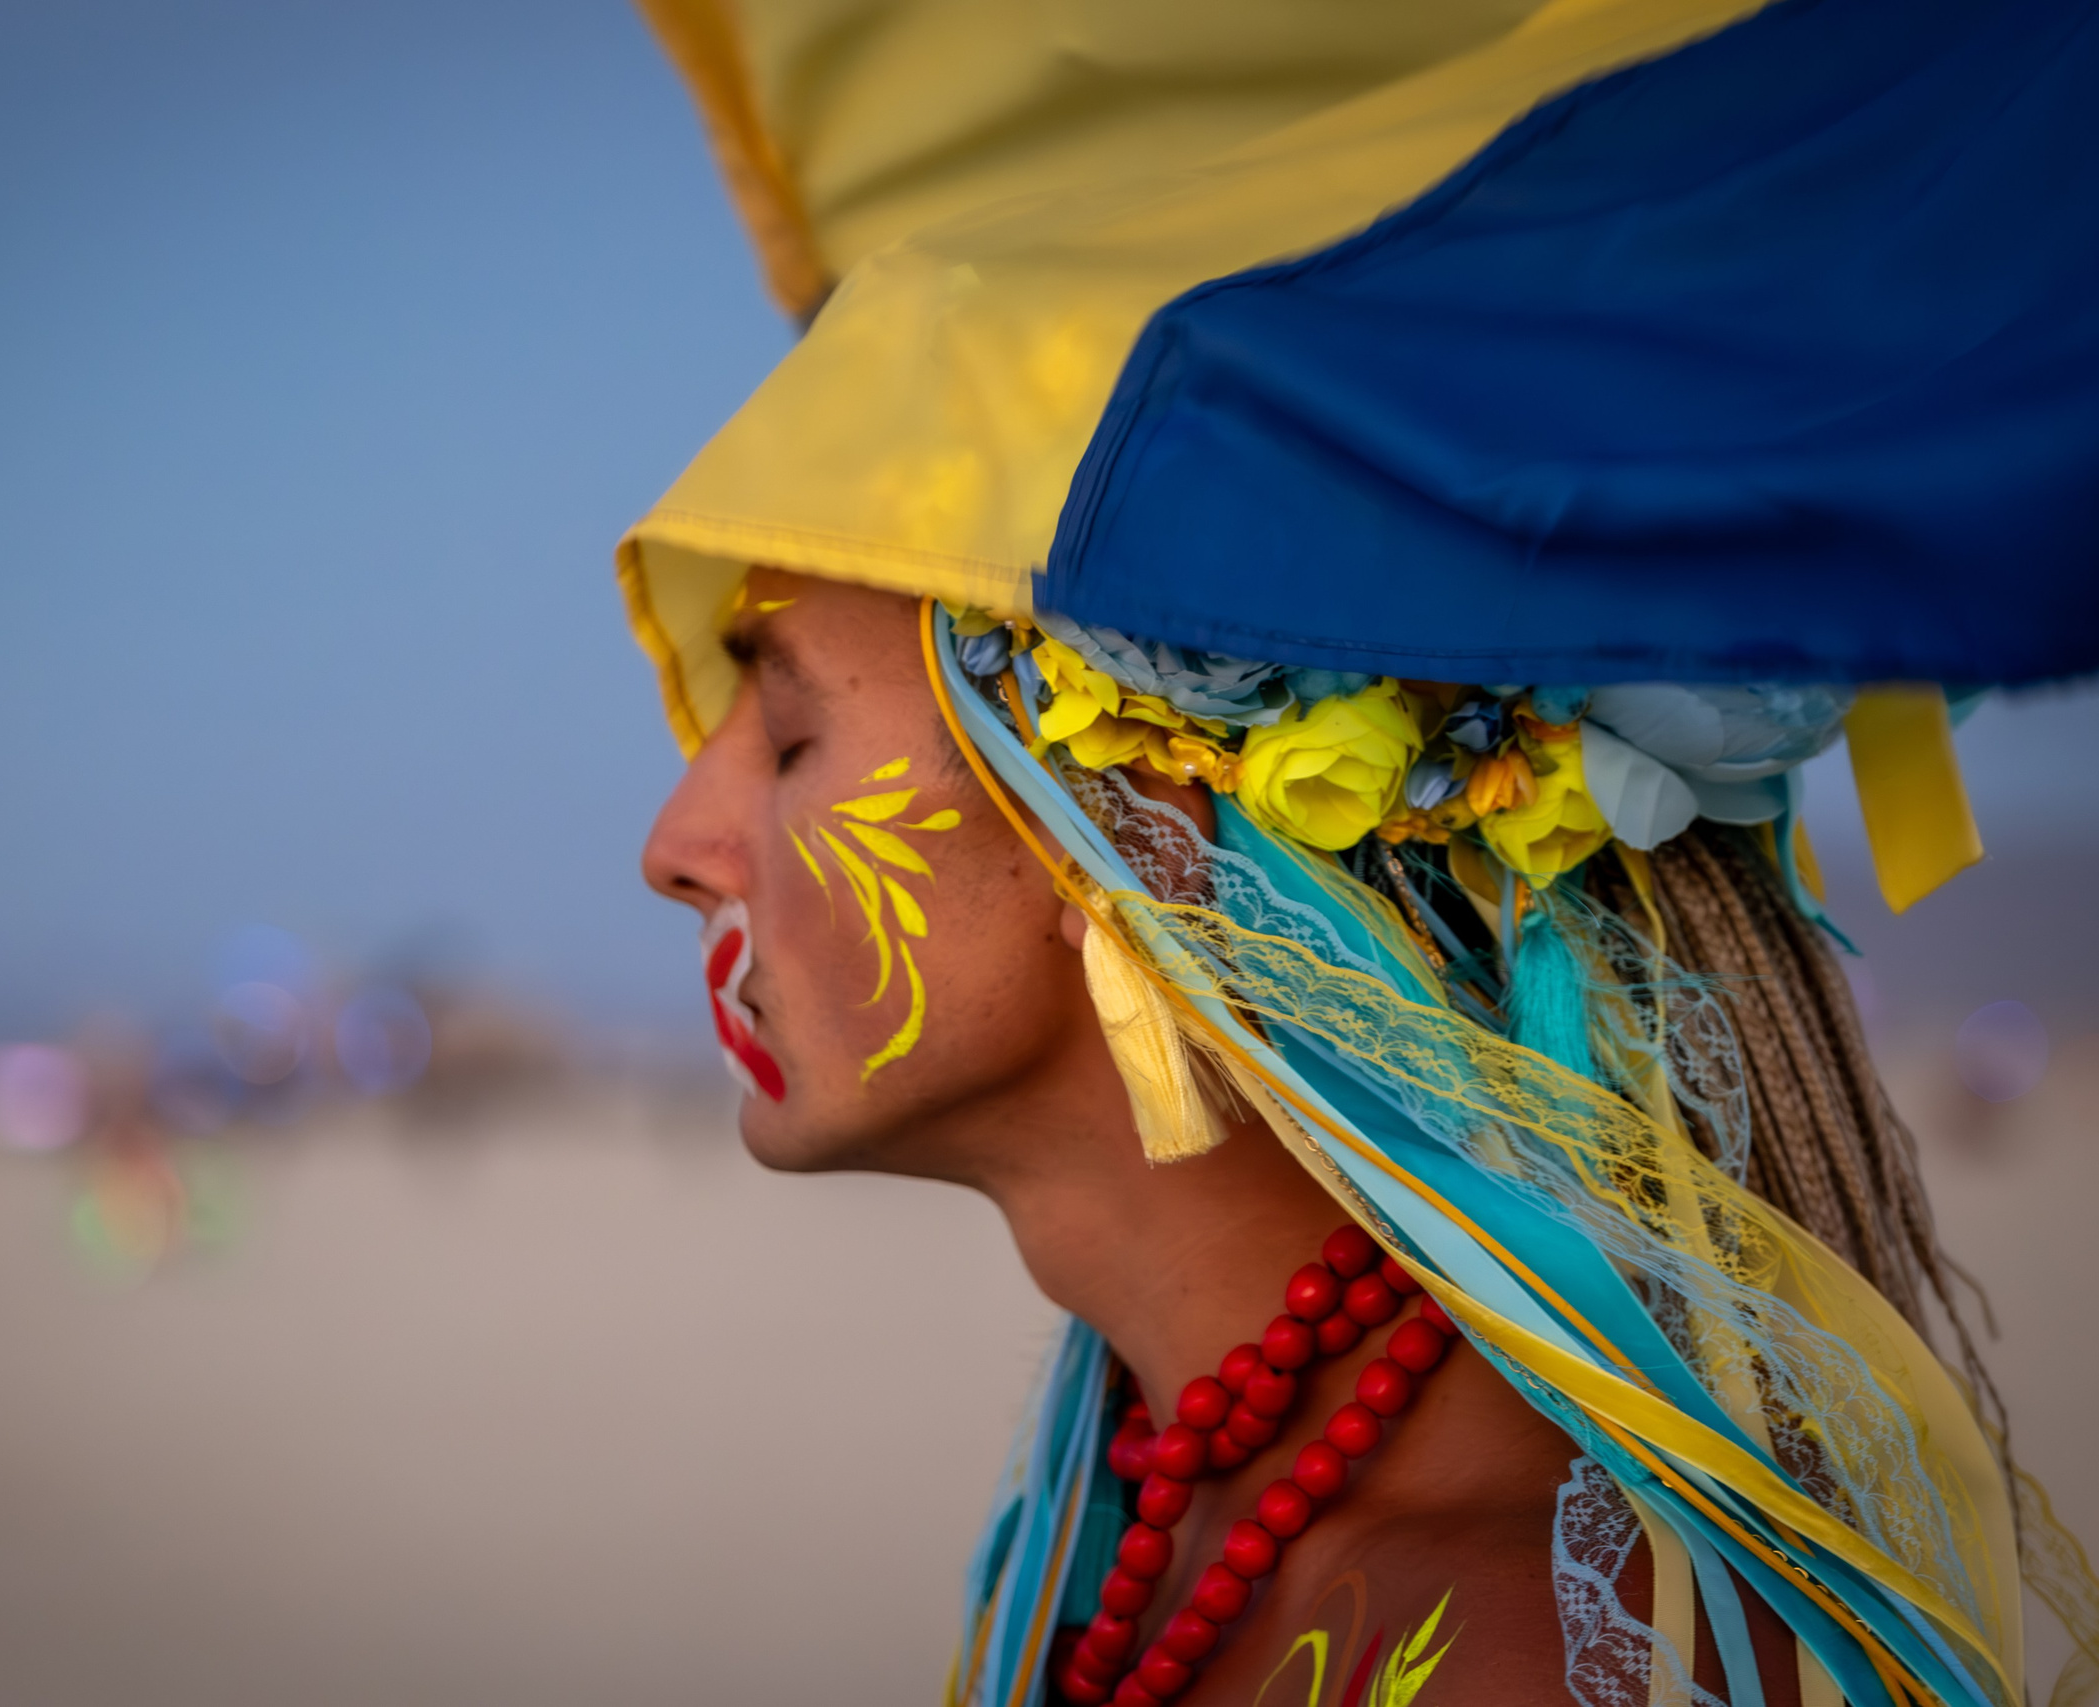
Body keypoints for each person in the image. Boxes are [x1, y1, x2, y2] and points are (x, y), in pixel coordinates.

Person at [621, 2, 2099, 1703]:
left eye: (791, 734)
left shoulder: (1536, 1653)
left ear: (1145, 818)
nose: (676, 844)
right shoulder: (1116, 1536)